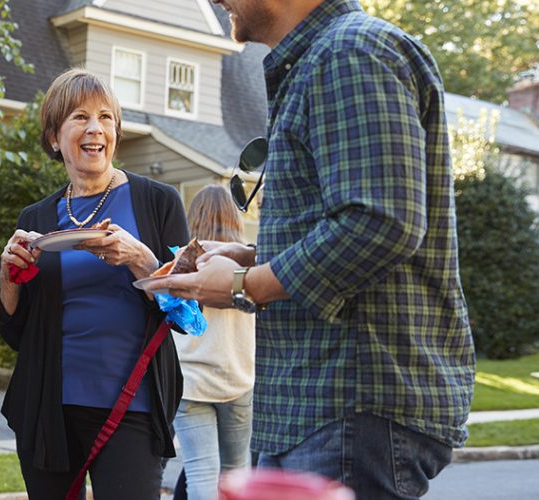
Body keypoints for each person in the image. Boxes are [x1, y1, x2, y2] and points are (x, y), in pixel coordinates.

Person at [150, 1, 476, 498]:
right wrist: (250, 257)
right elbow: (347, 223)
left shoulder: (349, 53)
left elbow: (380, 222)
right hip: (322, 410)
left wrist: (243, 287)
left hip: (349, 401)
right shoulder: (326, 59)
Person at [0, 68, 189, 499]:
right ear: (54, 137)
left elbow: (189, 315)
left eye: (106, 117)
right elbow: (16, 331)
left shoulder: (157, 203)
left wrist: (141, 259)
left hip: (132, 407)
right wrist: (9, 277)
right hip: (50, 407)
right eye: (79, 117)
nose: (95, 128)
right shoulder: (37, 220)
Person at [171, 186, 255, 500]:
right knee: (236, 472)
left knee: (201, 474)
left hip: (189, 382)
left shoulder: (181, 260)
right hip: (237, 379)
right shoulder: (250, 264)